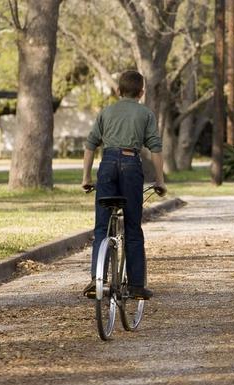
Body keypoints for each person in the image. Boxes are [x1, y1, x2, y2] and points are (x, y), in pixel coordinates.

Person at [81, 70, 167, 300]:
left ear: (118, 91)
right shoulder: (145, 114)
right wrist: (160, 181)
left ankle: (97, 280)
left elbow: (90, 145)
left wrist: (86, 178)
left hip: (107, 165)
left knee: (102, 226)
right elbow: (155, 149)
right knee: (132, 228)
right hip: (131, 164)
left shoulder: (106, 112)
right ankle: (136, 286)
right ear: (141, 92)